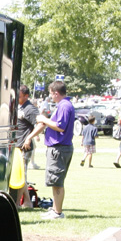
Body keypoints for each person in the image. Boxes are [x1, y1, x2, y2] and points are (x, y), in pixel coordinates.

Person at [23, 80, 74, 219]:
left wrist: (44, 120)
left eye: (51, 94)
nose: (50, 96)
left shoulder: (64, 106)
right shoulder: (64, 105)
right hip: (59, 148)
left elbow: (60, 126)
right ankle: (55, 210)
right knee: (54, 181)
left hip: (59, 148)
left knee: (57, 181)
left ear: (56, 93)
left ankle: (58, 212)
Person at [13, 85, 39, 209]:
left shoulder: (30, 109)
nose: (17, 98)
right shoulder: (20, 107)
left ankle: (18, 203)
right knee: (20, 175)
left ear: (26, 96)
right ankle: (27, 202)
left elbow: (40, 124)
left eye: (19, 96)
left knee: (21, 175)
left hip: (24, 147)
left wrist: (29, 138)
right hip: (17, 146)